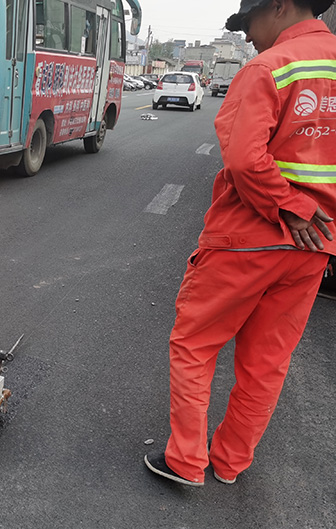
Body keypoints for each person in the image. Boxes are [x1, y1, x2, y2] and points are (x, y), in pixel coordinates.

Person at [144, 0, 336, 487]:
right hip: (314, 244)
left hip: (248, 237)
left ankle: (187, 460)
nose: (247, 36)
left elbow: (246, 160)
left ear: (279, 5)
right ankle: (229, 462)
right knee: (267, 363)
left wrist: (286, 204)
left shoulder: (270, 67)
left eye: (248, 23)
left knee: (194, 342)